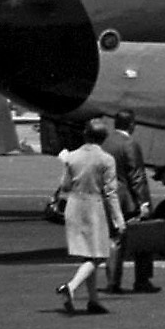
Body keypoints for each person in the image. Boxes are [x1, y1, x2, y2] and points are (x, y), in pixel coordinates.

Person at [55, 120, 123, 314]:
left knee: (89, 254)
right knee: (99, 255)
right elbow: (111, 193)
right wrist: (118, 219)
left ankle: (93, 300)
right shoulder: (106, 159)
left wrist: (67, 163)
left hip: (74, 205)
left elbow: (65, 185)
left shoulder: (72, 157)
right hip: (93, 206)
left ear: (85, 135)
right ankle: (71, 286)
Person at [103, 111, 158, 294]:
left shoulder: (106, 143)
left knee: (114, 239)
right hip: (126, 199)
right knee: (143, 238)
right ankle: (142, 280)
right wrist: (144, 203)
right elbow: (136, 176)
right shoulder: (130, 144)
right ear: (131, 124)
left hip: (108, 196)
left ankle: (112, 281)